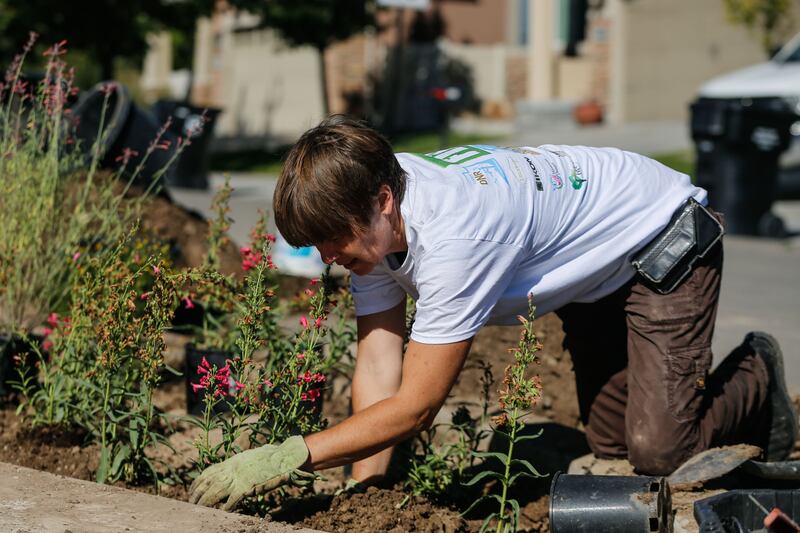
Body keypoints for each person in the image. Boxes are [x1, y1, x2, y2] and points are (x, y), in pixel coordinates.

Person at [189, 116, 797, 510]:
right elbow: (379, 365)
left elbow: (418, 404)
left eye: (332, 241)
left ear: (382, 202)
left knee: (660, 453)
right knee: (612, 447)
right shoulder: (374, 226)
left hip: (663, 239)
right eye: (314, 246)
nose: (326, 258)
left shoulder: (456, 236)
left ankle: (757, 376)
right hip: (590, 275)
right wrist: (363, 493)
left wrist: (290, 454)